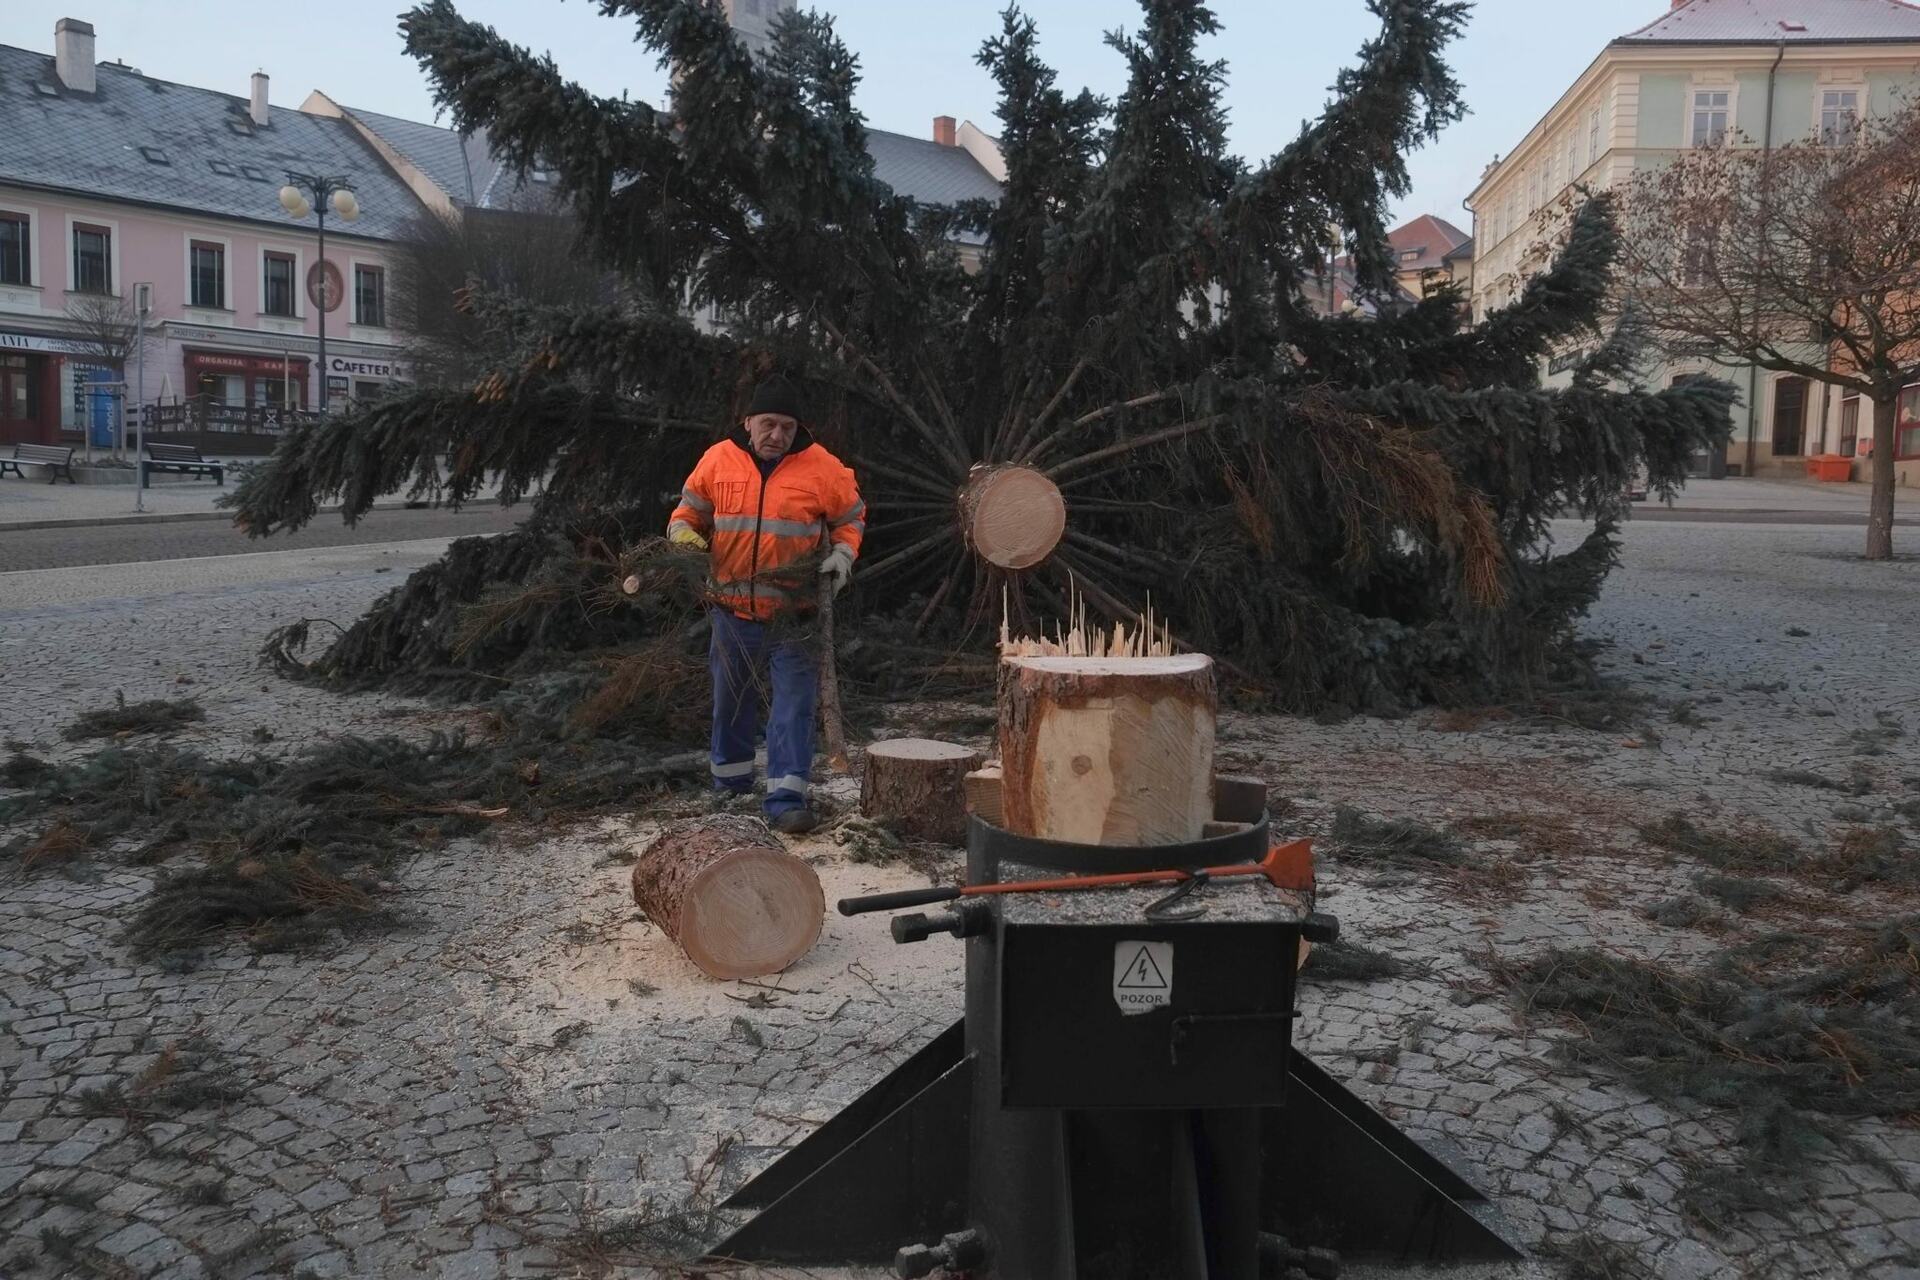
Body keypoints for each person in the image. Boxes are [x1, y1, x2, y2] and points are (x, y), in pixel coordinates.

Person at [667, 375, 864, 834]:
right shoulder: (718, 460)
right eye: (769, 424)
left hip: (795, 615)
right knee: (730, 700)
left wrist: (842, 554)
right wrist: (685, 540)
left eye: (788, 428)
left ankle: (786, 799)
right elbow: (685, 513)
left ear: (799, 431)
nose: (777, 436)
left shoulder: (822, 468)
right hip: (731, 608)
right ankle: (731, 787)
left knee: (793, 705)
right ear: (749, 422)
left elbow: (851, 518)